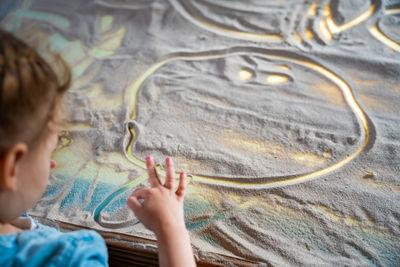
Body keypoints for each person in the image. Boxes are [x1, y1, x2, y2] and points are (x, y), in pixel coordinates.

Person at [0, 29, 195, 267]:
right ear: (11, 168)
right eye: (50, 149)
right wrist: (171, 228)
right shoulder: (69, 260)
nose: (53, 163)